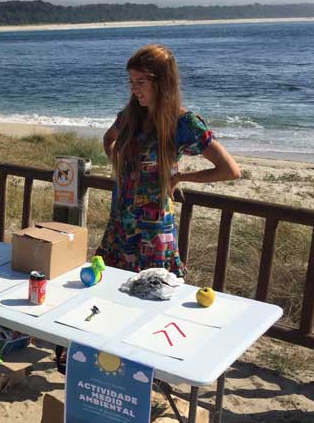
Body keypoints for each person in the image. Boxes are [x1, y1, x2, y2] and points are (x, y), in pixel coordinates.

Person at [98, 43, 241, 277]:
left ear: (161, 82)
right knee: (112, 291)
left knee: (153, 294)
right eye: (131, 82)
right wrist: (123, 169)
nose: (134, 89)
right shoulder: (130, 116)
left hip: (154, 229)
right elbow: (108, 140)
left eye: (140, 82)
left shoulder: (184, 123)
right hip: (120, 221)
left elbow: (230, 170)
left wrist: (179, 177)